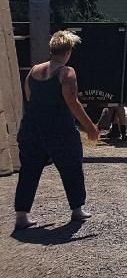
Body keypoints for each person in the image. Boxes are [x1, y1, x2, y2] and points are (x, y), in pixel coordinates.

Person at [14, 30, 100, 231]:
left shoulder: (34, 70)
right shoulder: (66, 72)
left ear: (51, 49)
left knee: (29, 170)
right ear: (68, 51)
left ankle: (21, 215)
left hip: (32, 127)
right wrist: (90, 127)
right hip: (59, 128)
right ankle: (77, 209)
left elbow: (28, 96)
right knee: (71, 167)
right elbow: (72, 101)